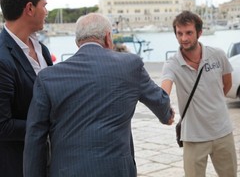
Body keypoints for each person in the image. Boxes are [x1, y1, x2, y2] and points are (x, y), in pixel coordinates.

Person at [23, 13, 175, 177]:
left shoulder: (48, 77)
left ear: (77, 42)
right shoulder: (130, 65)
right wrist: (166, 115)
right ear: (108, 38)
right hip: (116, 170)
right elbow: (160, 101)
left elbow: (35, 138)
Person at [161, 10, 237, 177]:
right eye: (179, 33)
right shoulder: (172, 64)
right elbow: (164, 90)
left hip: (222, 132)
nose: (184, 38)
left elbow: (227, 84)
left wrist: (212, 101)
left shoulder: (218, 55)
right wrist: (162, 105)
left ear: (199, 33)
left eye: (189, 33)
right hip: (193, 136)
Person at [0, 0, 53, 177]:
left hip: (46, 160)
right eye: (44, 5)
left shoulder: (42, 50)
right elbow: (2, 126)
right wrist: (49, 125)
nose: (46, 12)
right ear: (30, 9)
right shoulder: (2, 59)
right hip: (16, 165)